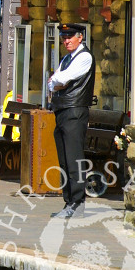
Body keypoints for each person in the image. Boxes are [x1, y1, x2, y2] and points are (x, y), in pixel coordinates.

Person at [47, 23, 95, 219]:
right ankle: (69, 201)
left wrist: (56, 82)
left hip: (75, 111)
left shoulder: (84, 57)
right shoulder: (67, 58)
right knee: (65, 160)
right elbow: (52, 83)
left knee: (74, 159)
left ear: (80, 37)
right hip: (62, 111)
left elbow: (61, 79)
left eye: (69, 37)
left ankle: (77, 202)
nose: (66, 40)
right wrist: (55, 82)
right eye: (63, 37)